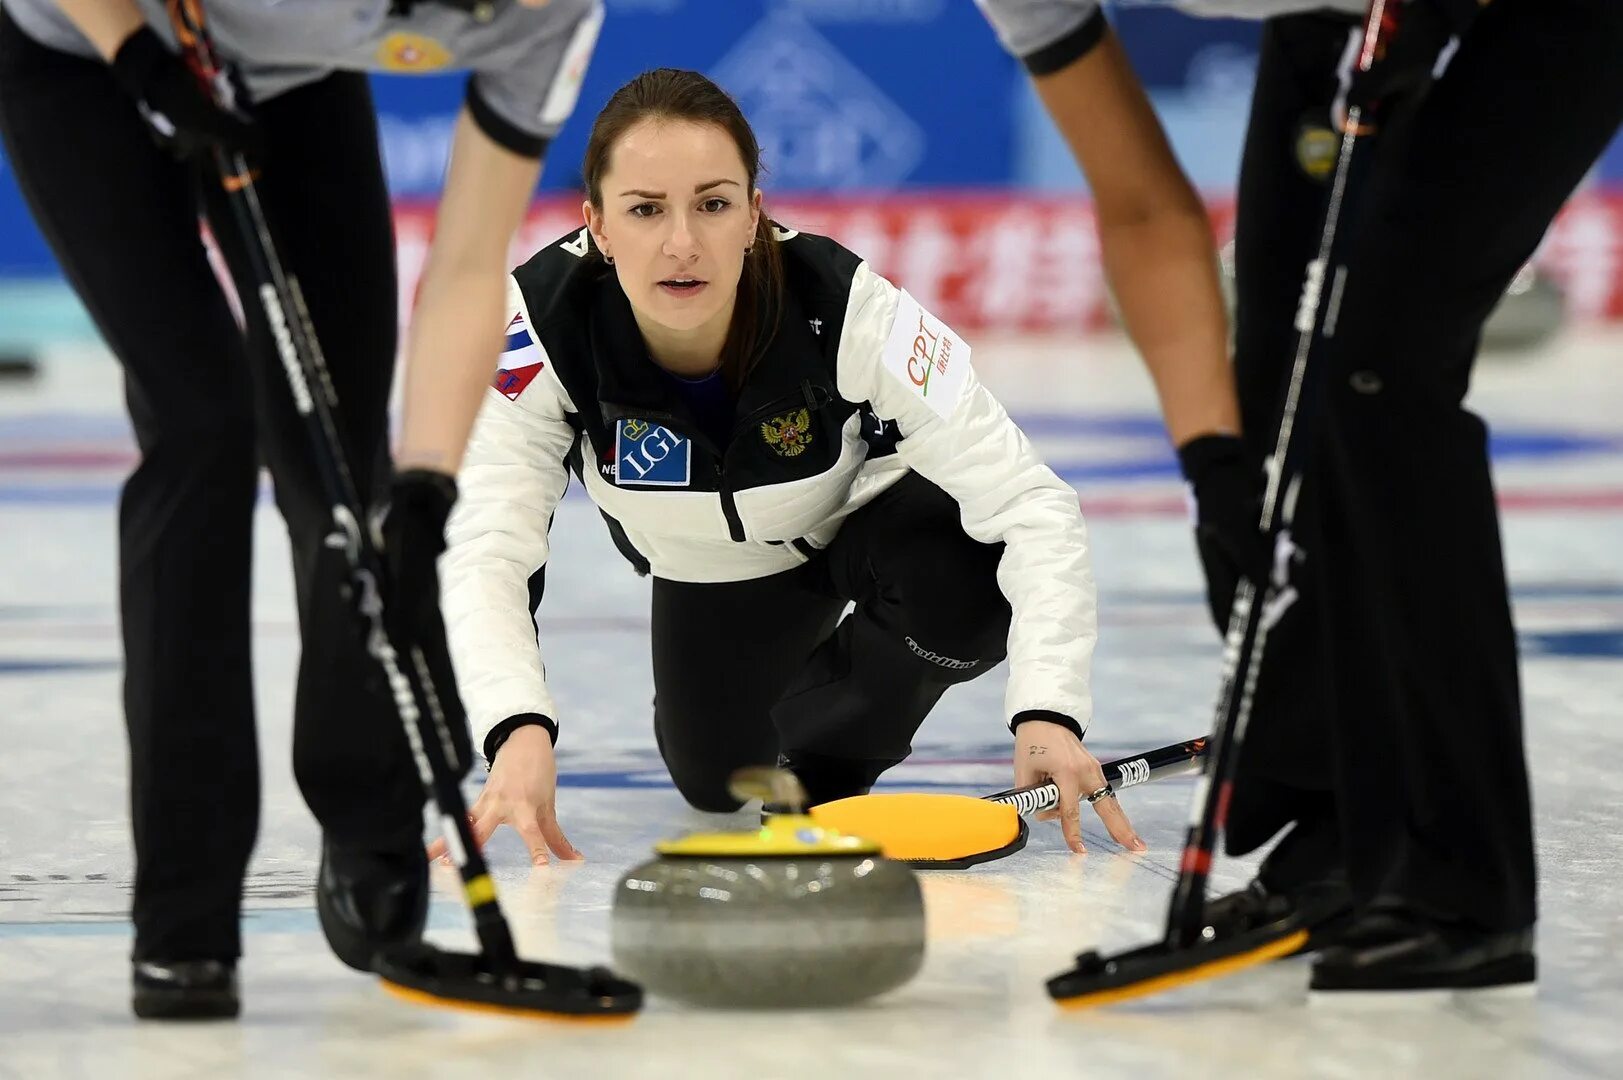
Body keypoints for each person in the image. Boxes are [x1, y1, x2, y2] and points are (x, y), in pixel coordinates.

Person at [978, 0, 1623, 996]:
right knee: (1279, 397)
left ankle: (1465, 887)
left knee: (1378, 367)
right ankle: (1339, 846)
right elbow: (1142, 206)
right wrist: (1215, 467)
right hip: (1331, 11)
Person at [0, 0, 602, 1019]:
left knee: (347, 469)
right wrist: (138, 56)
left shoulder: (553, 20)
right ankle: (183, 918)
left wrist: (428, 487)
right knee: (200, 424)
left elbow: (463, 268)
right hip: (84, 56)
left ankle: (370, 828)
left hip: (291, 81)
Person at [429, 67, 1148, 870]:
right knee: (716, 781)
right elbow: (487, 547)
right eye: (644, 210)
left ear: (752, 214)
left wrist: (1049, 711)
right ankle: (784, 719)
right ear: (596, 225)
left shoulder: (849, 306)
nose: (681, 243)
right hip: (714, 572)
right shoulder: (537, 334)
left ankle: (827, 764)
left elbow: (1029, 504)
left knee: (962, 586)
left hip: (866, 521)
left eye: (712, 203)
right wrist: (514, 728)